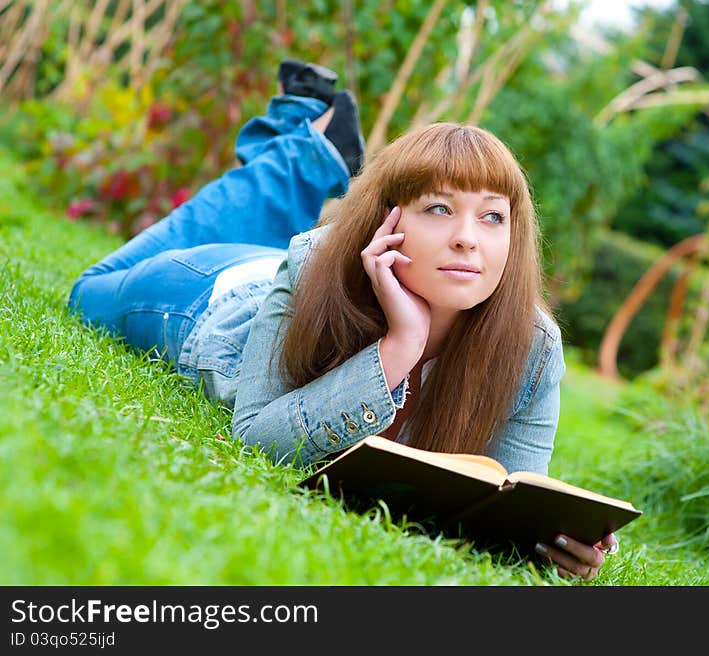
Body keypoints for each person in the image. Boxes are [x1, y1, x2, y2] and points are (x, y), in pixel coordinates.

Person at [67, 60, 618, 581]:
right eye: (439, 208)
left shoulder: (533, 345)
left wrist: (553, 540)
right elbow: (257, 436)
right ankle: (300, 159)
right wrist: (400, 345)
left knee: (286, 236)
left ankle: (304, 138)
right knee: (85, 295)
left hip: (296, 265)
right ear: (389, 220)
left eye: (492, 216)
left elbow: (509, 490)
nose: (467, 238)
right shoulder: (312, 262)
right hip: (214, 299)